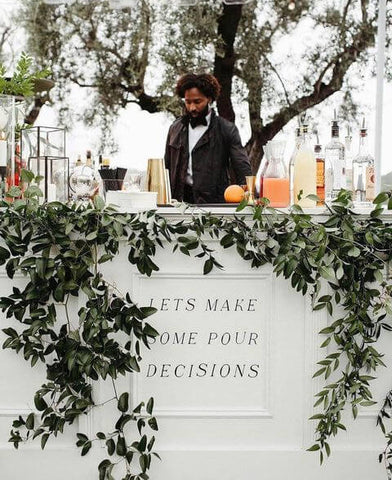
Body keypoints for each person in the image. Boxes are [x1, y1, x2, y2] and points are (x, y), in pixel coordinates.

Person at [164, 73, 252, 204]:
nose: (192, 107)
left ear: (209, 99)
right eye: (188, 102)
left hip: (215, 207)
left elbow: (242, 168)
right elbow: (166, 167)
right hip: (178, 204)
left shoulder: (227, 129)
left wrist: (248, 200)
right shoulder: (175, 129)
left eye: (197, 102)